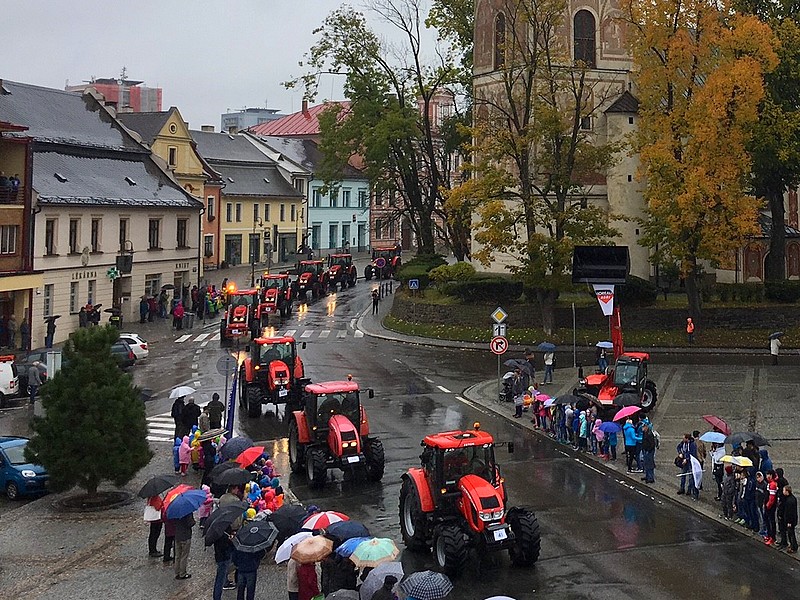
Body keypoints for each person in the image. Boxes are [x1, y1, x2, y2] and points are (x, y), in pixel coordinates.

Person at [213, 528, 236, 599]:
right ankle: (217, 597)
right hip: (224, 558)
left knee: (220, 577)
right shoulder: (223, 535)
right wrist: (230, 539)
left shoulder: (215, 533)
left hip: (219, 557)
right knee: (220, 579)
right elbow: (226, 546)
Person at [173, 512, 194, 579]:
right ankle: (182, 573)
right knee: (184, 556)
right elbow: (190, 523)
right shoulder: (188, 512)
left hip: (177, 536)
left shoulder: (175, 512)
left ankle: (177, 572)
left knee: (177, 556)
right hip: (185, 536)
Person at [676, 433, 698, 498]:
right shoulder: (683, 443)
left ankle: (689, 490)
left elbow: (692, 454)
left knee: (691, 477)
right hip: (684, 461)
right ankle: (682, 488)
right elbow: (678, 447)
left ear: (687, 439)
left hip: (690, 462)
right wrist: (680, 453)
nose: (683, 439)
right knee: (683, 475)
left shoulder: (692, 445)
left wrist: (687, 459)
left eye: (684, 438)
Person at [765, 470, 779, 545]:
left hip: (770, 506)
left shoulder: (772, 484)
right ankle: (769, 534)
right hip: (768, 505)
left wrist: (768, 505)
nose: (767, 476)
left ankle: (772, 537)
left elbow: (772, 498)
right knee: (768, 520)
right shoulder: (770, 483)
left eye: (768, 475)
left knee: (771, 521)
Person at [783, 485, 798, 554]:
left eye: (784, 490)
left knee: (791, 534)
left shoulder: (789, 501)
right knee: (791, 533)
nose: (783, 492)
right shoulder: (792, 498)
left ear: (787, 491)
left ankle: (793, 547)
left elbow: (790, 513)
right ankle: (793, 545)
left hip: (790, 521)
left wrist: (789, 522)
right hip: (792, 520)